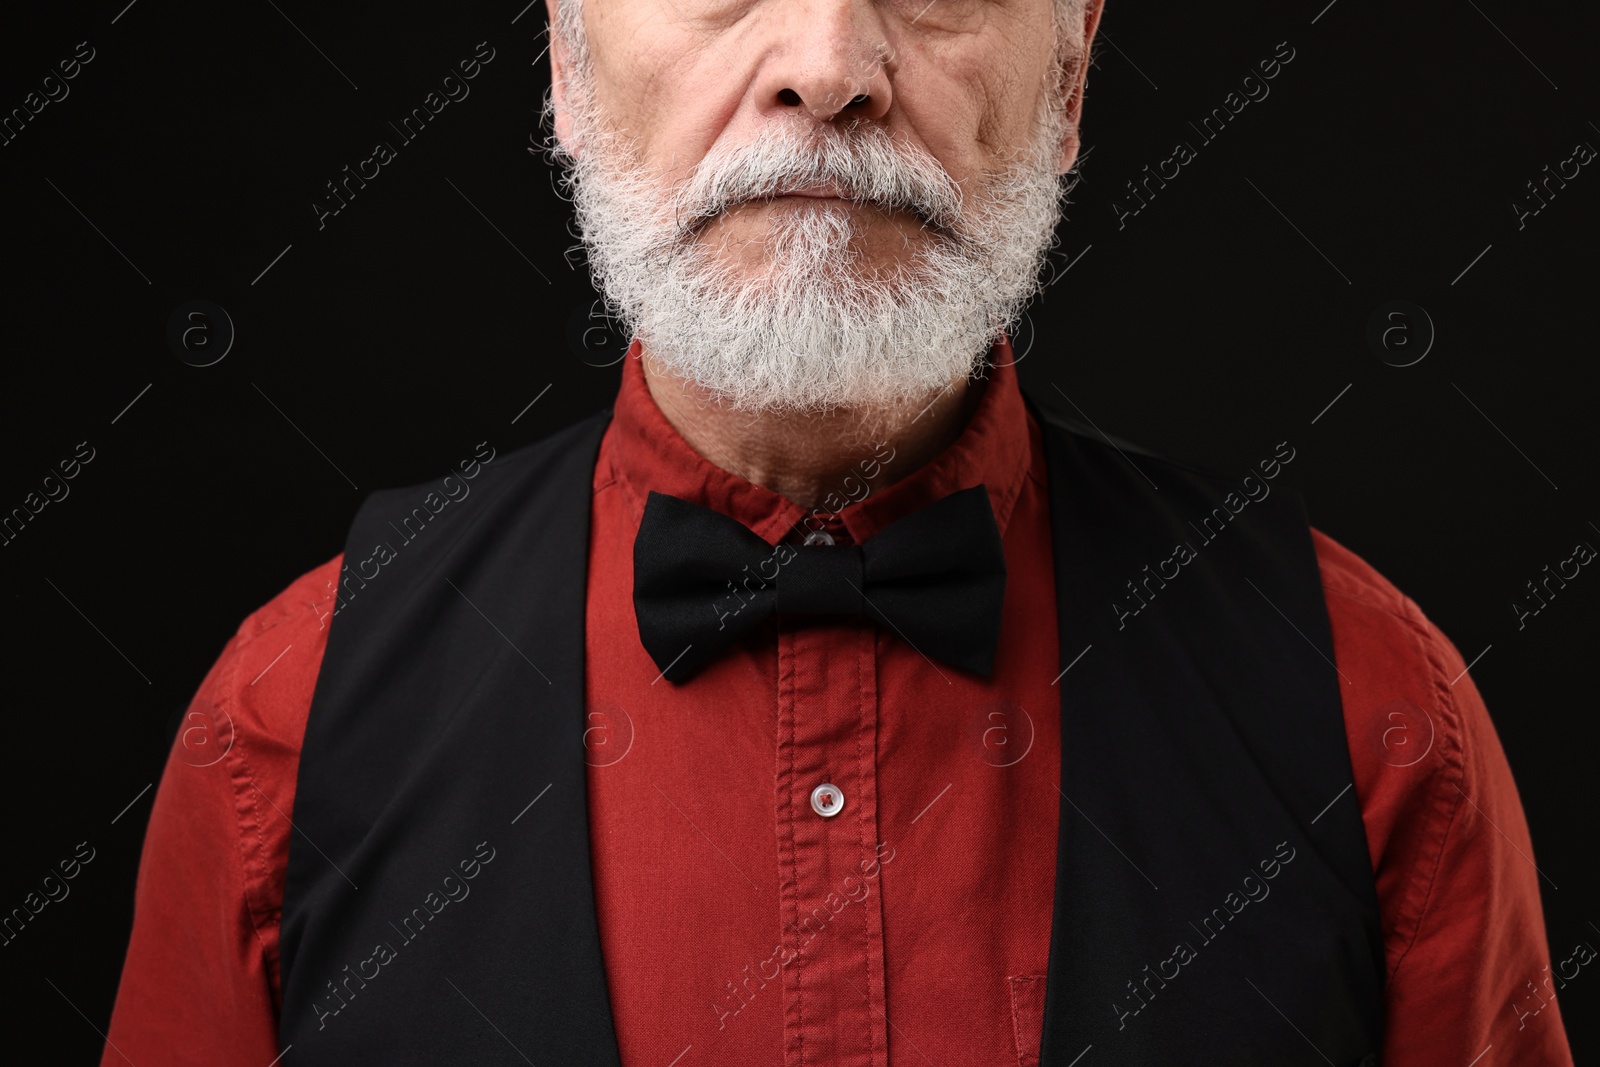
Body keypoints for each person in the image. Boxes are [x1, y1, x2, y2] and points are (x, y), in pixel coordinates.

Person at [102, 0, 1575, 1063]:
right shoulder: (281, 723)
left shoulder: (1373, 713)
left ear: (1069, 78)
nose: (826, 65)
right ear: (563, 59)